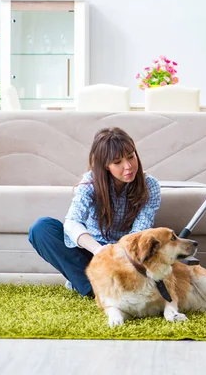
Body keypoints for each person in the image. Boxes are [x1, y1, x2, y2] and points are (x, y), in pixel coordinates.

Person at [28, 127, 162, 297]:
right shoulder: (90, 183)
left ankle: (106, 285)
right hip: (92, 252)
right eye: (117, 162)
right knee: (41, 228)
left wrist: (116, 256)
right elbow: (72, 222)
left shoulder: (150, 186)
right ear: (105, 165)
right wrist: (99, 251)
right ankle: (96, 288)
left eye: (131, 157)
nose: (128, 166)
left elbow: (138, 236)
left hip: (125, 257)